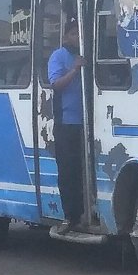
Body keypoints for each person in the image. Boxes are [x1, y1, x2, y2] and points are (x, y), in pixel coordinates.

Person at [48, 18, 85, 234]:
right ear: (64, 37)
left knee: (81, 171)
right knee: (68, 171)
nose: (76, 38)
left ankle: (84, 213)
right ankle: (70, 217)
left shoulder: (84, 54)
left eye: (79, 34)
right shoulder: (59, 56)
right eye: (73, 34)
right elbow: (56, 84)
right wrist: (75, 70)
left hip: (87, 123)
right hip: (66, 123)